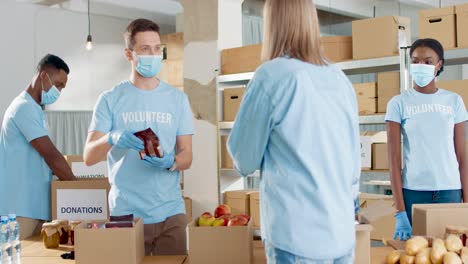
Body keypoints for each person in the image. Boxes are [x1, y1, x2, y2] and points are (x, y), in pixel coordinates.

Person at [227, 0, 360, 263]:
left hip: (296, 236)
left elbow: (244, 159)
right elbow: (353, 157)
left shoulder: (271, 75)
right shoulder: (338, 77)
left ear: (273, 25)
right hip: (341, 233)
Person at [83, 19, 194, 256]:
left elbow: (187, 155)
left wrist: (172, 161)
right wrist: (111, 138)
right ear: (129, 54)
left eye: (157, 48)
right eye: (145, 49)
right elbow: (89, 157)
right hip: (125, 214)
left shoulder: (178, 99)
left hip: (171, 213)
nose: (153, 55)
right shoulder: (110, 99)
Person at [387, 38, 467, 241]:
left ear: (439, 64)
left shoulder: (454, 101)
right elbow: (394, 160)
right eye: (416, 61)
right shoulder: (398, 103)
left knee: (451, 255)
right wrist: (400, 212)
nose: (421, 66)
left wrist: (466, 204)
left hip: (450, 192)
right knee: (417, 256)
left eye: (428, 61)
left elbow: (463, 158)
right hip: (414, 193)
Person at [0, 54, 76, 239]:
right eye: (58, 85)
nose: (59, 91)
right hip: (20, 209)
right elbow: (51, 156)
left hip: (36, 208)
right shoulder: (23, 108)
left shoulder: (35, 110)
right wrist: (80, 188)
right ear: (43, 77)